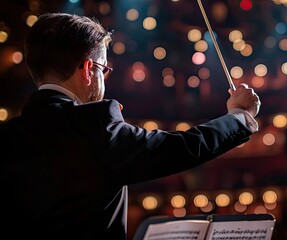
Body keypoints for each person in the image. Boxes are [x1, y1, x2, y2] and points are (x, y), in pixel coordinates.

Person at [0, 13, 261, 240]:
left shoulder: (7, 136)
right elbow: (182, 148)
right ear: (89, 69)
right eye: (105, 70)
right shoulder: (95, 125)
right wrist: (239, 116)